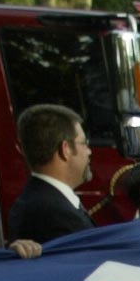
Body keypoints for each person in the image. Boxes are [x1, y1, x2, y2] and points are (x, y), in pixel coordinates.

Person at [7, 104, 95, 244]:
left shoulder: (32, 200)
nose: (89, 151)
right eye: (84, 143)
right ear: (65, 149)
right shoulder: (57, 215)